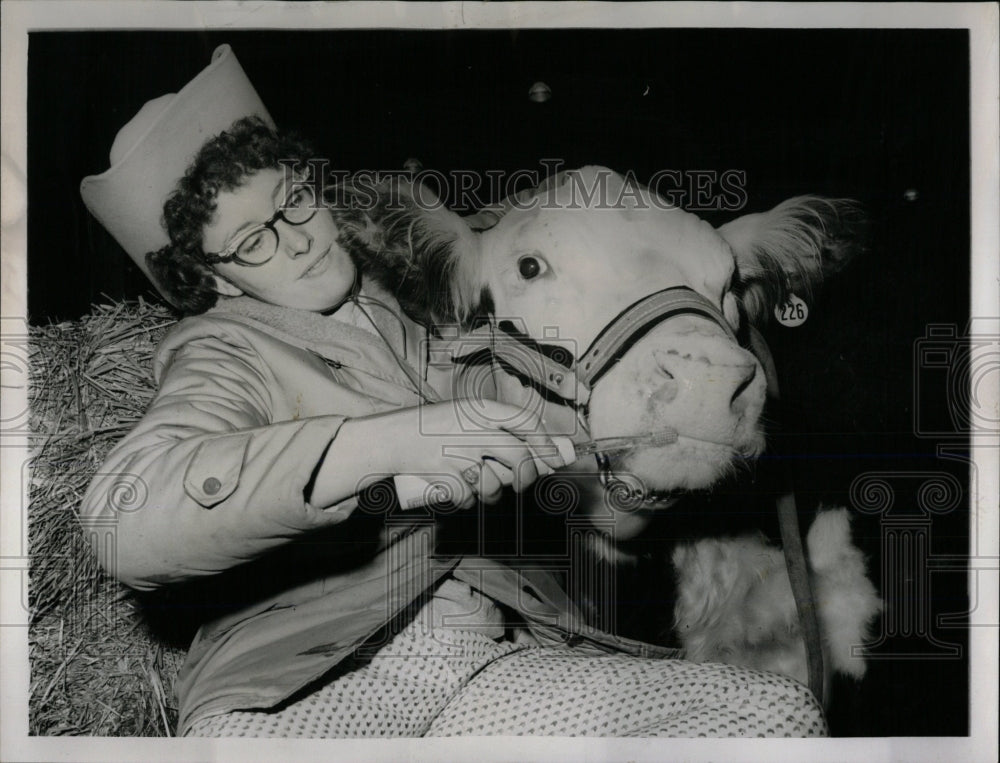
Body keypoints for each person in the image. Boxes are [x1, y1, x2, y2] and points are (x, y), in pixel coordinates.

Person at [79, 45, 827, 738]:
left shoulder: (428, 302)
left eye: (295, 199)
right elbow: (124, 519)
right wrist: (390, 446)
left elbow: (586, 449)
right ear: (214, 278)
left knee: (771, 716)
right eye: (254, 240)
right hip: (304, 684)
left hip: (491, 658)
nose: (300, 237)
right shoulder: (225, 350)